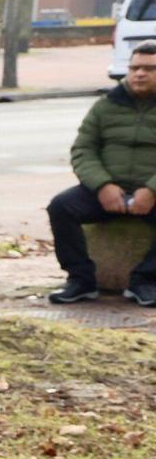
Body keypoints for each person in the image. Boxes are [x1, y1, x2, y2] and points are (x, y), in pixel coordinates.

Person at [47, 39, 156, 307]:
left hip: (151, 192)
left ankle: (145, 280)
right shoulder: (106, 105)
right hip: (109, 190)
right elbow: (83, 149)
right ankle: (80, 279)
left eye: (149, 69)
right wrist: (102, 185)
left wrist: (152, 190)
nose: (139, 74)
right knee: (61, 207)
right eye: (134, 68)